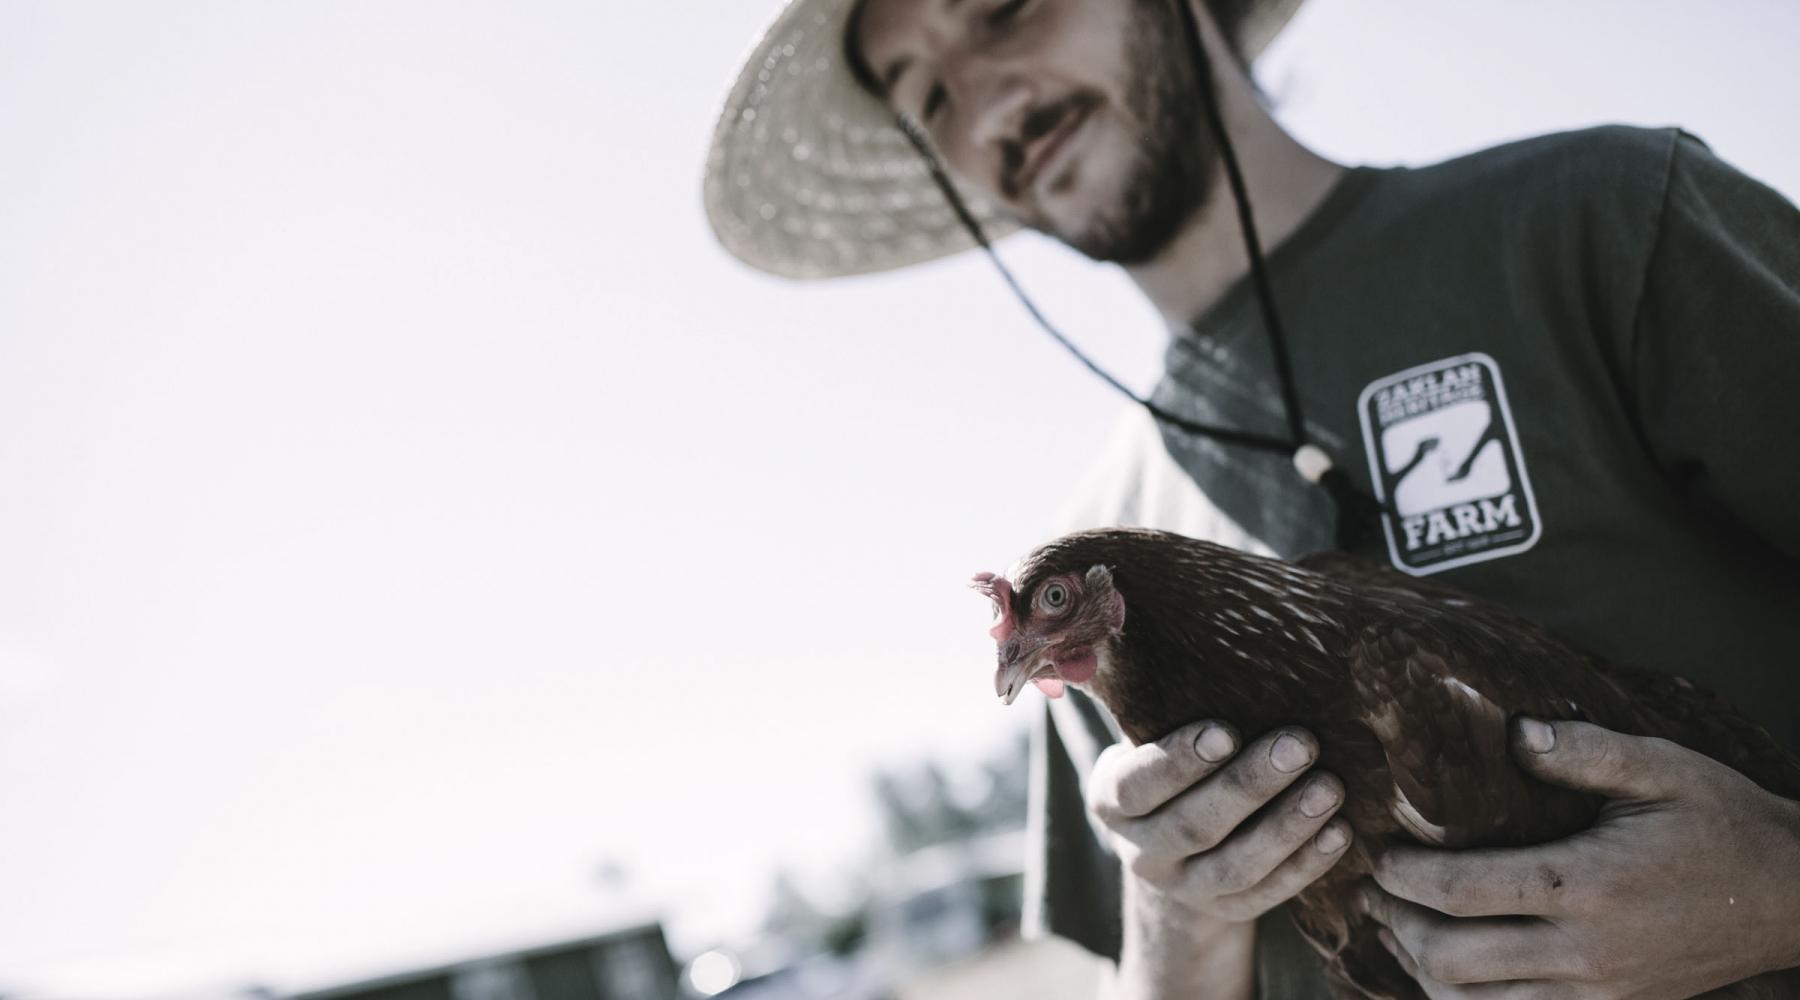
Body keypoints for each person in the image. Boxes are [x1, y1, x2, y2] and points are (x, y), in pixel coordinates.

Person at [702, 0, 1800, 996]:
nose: (987, 103)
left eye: (1002, 10)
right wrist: (1174, 919)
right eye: (930, 97)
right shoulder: (1095, 554)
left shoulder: (1596, 229)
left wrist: (1777, 895)